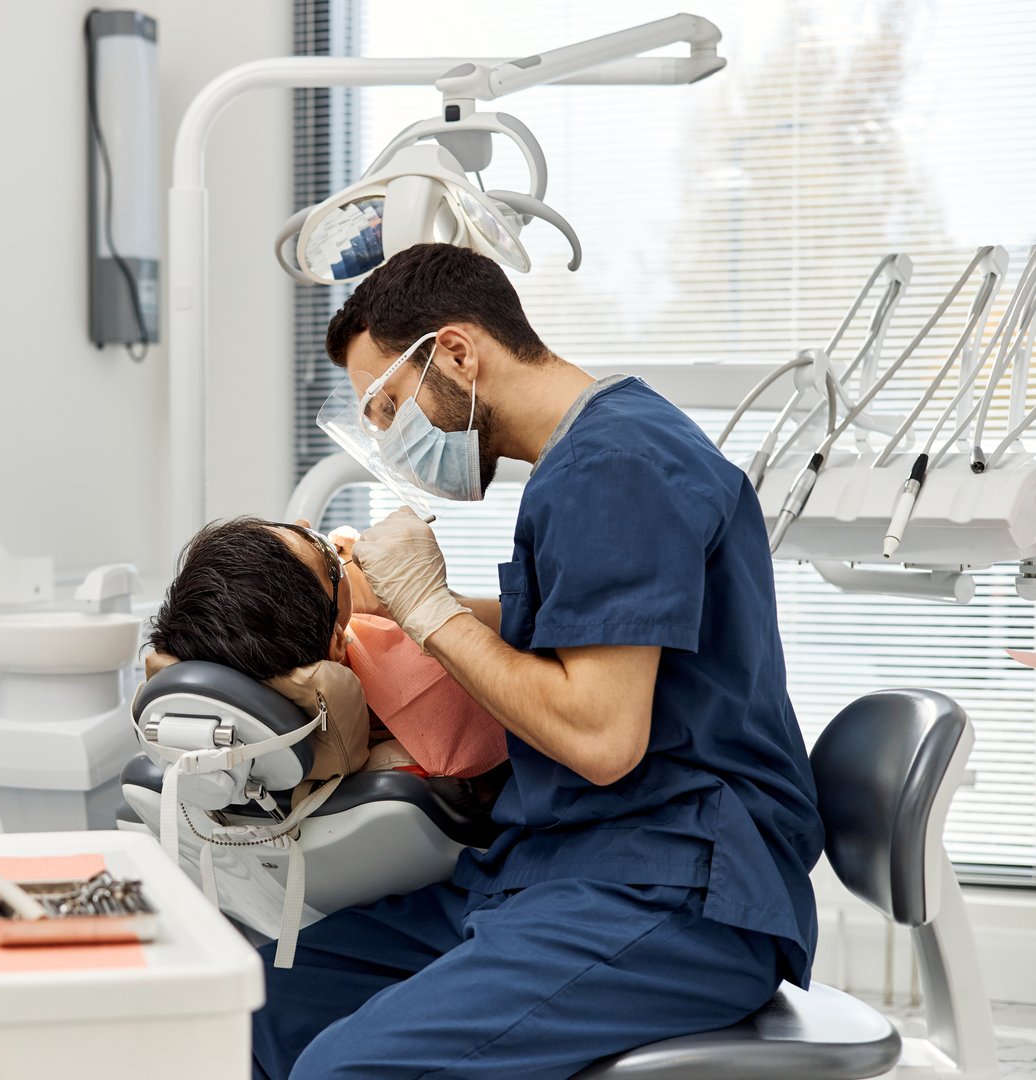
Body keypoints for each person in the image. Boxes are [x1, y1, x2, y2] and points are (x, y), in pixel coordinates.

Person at [251, 242, 824, 1080]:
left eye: (388, 405)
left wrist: (433, 610)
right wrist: (392, 605)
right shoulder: (591, 456)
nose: (390, 439)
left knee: (345, 1069)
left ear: (455, 351)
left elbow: (600, 736)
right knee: (265, 1004)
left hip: (672, 890)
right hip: (559, 868)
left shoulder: (614, 466)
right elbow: (571, 632)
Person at [146, 516, 508, 783]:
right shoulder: (434, 691)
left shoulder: (241, 651)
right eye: (329, 557)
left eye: (296, 528)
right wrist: (424, 603)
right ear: (337, 644)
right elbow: (532, 646)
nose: (305, 521)